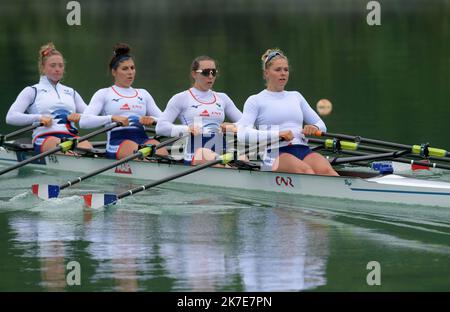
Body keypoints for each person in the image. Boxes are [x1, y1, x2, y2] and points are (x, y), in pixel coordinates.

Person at [237, 48, 339, 176]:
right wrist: (277, 134)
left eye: (286, 69)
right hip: (272, 153)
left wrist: (314, 127)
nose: (283, 73)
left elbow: (321, 124)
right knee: (306, 171)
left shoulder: (296, 96)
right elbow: (243, 134)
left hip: (302, 149)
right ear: (266, 73)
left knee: (327, 171)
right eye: (278, 70)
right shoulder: (255, 100)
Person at [80, 43, 167, 159]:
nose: (130, 72)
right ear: (114, 72)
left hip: (142, 138)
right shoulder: (104, 93)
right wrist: (112, 118)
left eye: (132, 68)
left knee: (161, 150)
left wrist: (152, 120)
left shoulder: (143, 94)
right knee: (134, 149)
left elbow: (166, 122)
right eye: (125, 69)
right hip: (118, 141)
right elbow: (84, 122)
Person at [6, 42, 92, 153]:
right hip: (45, 138)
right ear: (43, 67)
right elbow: (11, 117)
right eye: (53, 65)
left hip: (71, 137)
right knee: (68, 150)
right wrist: (38, 118)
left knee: (89, 151)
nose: (57, 69)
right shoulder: (32, 91)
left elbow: (91, 116)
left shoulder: (71, 92)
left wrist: (80, 116)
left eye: (60, 66)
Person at [155, 55, 242, 165]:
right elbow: (161, 127)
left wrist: (233, 126)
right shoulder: (181, 98)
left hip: (221, 153)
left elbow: (247, 124)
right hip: (194, 156)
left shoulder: (223, 98)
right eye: (206, 72)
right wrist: (187, 129)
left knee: (243, 157)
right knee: (204, 153)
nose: (210, 76)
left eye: (213, 72)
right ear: (194, 74)